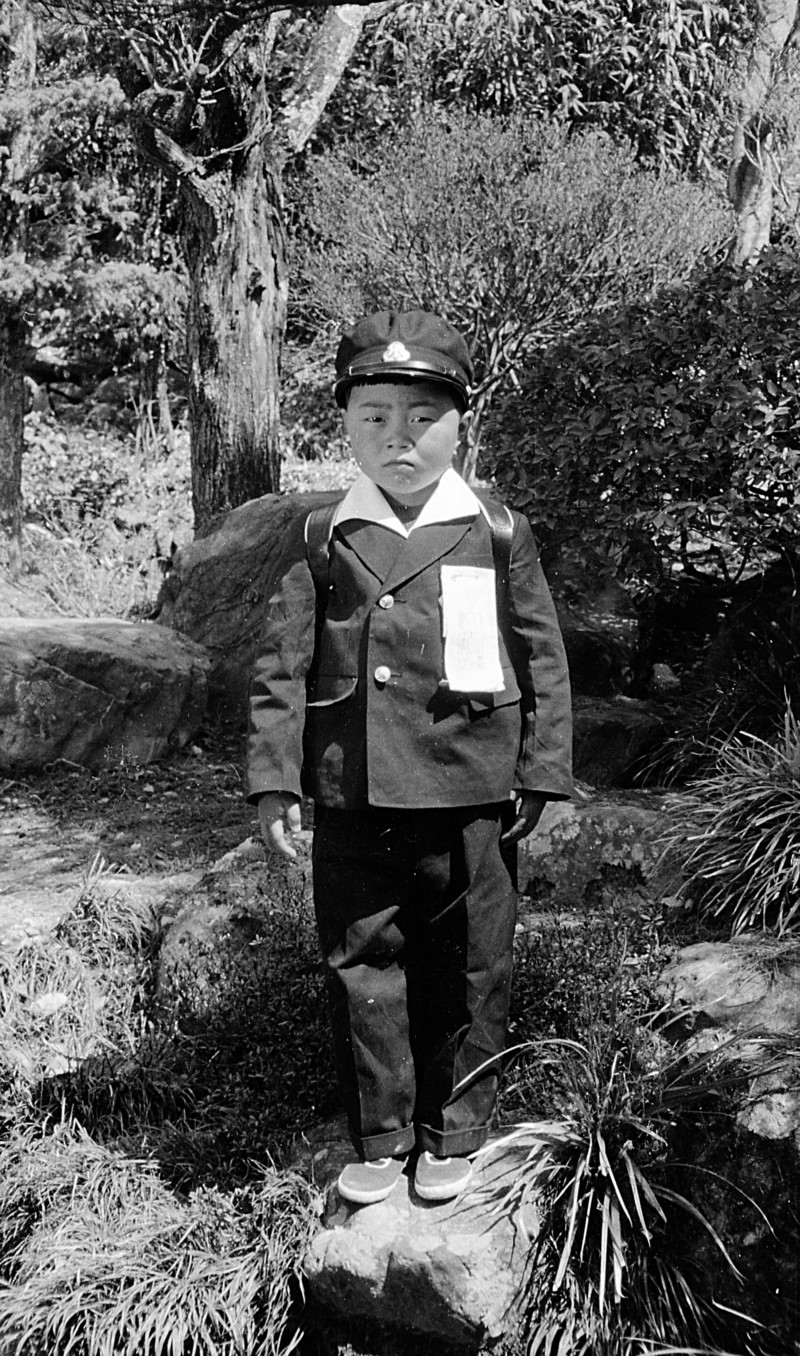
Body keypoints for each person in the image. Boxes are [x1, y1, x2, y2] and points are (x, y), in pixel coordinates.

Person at [246, 310, 572, 1205]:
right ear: (346, 428)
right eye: (376, 417)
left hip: (471, 780)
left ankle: (455, 1128)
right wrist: (275, 781)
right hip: (356, 786)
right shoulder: (322, 534)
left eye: (423, 418)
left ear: (460, 425)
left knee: (472, 961)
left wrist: (542, 769)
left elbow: (542, 654)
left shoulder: (494, 529)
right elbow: (280, 666)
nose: (400, 438)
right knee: (362, 961)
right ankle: (381, 1133)